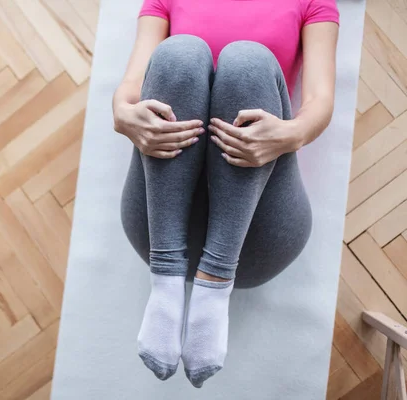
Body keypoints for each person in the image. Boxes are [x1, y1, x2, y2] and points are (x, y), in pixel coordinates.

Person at [112, 0, 339, 388]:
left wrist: (290, 134)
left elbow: (320, 100)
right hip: (160, 225)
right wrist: (122, 112)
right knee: (180, 53)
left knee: (246, 60)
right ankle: (166, 279)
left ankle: (215, 281)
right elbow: (133, 86)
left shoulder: (314, 3)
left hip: (254, 231)